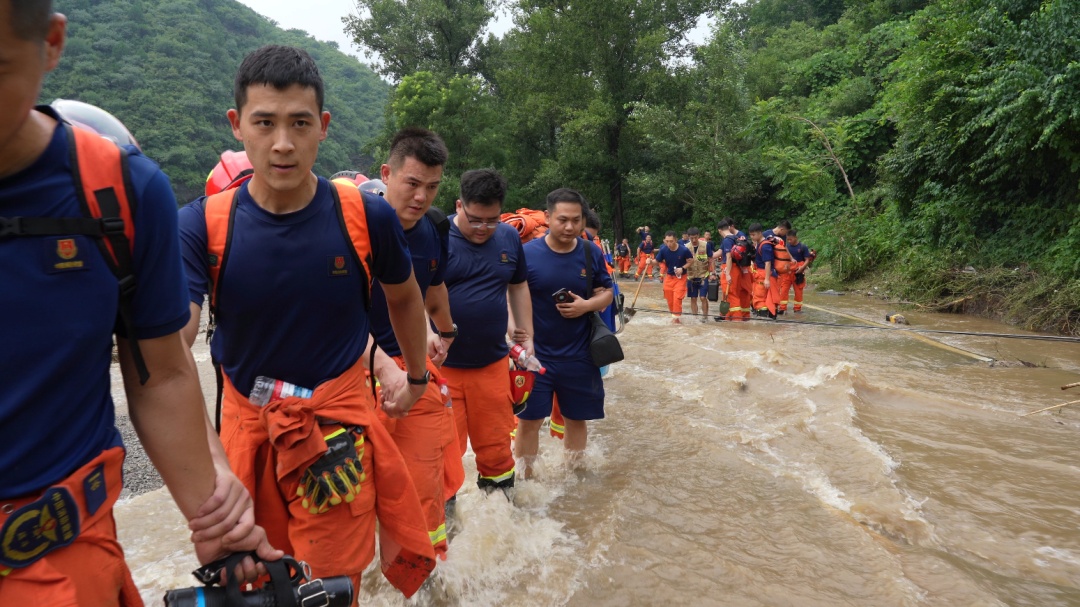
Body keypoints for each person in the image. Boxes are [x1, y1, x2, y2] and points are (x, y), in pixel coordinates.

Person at [0, 3, 277, 603]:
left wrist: (214, 519)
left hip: (63, 563)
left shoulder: (121, 194)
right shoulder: (198, 224)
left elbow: (161, 373)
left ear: (50, 45)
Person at [178, 45, 436, 599]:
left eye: (299, 123)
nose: (283, 144)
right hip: (245, 435)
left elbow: (407, 299)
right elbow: (174, 351)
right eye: (264, 123)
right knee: (253, 586)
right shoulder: (202, 226)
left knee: (328, 588)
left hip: (336, 432)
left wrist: (415, 379)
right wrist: (208, 466)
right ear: (237, 125)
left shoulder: (366, 215)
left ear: (322, 126)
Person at [365, 127, 462, 559]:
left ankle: (424, 581)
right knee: (355, 488)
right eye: (412, 183)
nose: (422, 196)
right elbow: (330, 313)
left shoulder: (432, 229)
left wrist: (441, 332)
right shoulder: (355, 225)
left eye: (432, 186)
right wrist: (382, 362)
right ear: (387, 174)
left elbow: (427, 290)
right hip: (353, 371)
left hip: (414, 370)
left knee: (425, 483)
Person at [442, 169, 533, 496]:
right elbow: (414, 296)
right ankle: (447, 529)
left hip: (493, 366)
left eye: (491, 220)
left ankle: (499, 516)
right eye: (476, 219)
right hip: (443, 369)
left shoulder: (508, 237)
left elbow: (518, 285)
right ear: (459, 205)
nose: (484, 229)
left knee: (496, 450)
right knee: (442, 454)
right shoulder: (437, 237)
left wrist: (528, 336)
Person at [517, 189, 612, 478]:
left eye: (576, 220)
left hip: (579, 354)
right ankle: (526, 478)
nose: (570, 227)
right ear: (547, 218)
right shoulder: (527, 253)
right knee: (529, 421)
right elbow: (510, 296)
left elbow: (606, 292)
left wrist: (586, 306)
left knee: (576, 418)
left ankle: (574, 477)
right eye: (562, 220)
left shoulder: (590, 252)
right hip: (537, 355)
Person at [648, 231, 694, 324]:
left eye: (671, 241)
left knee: (677, 297)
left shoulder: (684, 250)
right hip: (669, 277)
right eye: (667, 241)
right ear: (665, 240)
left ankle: (676, 319)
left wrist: (683, 268)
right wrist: (650, 262)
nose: (669, 243)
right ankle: (674, 316)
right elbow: (656, 261)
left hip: (680, 277)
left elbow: (691, 261)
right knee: (669, 297)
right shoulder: (664, 250)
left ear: (676, 240)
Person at [684, 227, 715, 321]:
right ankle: (695, 318)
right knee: (693, 298)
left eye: (695, 237)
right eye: (691, 238)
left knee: (702, 297)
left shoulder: (706, 245)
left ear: (698, 236)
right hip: (691, 277)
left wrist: (713, 272)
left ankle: (705, 317)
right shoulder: (685, 247)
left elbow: (711, 259)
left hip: (703, 276)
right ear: (688, 237)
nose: (693, 240)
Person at [748, 223, 778, 318]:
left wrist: (767, 279)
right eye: (750, 235)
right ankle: (769, 319)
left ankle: (764, 321)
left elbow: (768, 263)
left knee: (760, 299)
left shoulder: (765, 246)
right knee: (767, 298)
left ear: (760, 233)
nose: (752, 237)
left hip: (764, 274)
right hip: (764, 274)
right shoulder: (760, 244)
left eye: (754, 235)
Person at [785, 229, 814, 313]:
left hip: (798, 272)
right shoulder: (786, 247)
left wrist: (802, 268)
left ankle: (797, 308)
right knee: (783, 290)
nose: (789, 241)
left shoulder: (802, 247)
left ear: (796, 237)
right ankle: (782, 308)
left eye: (791, 239)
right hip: (787, 272)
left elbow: (807, 260)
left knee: (798, 291)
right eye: (788, 239)